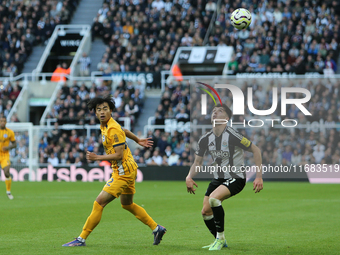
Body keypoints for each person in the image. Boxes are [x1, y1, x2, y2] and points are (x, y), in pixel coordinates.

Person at [62, 96, 166, 247]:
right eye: (99, 110)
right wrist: (137, 140)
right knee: (127, 204)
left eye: (105, 109)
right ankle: (157, 228)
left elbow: (119, 155)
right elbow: (124, 130)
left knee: (99, 203)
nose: (102, 112)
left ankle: (81, 239)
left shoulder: (112, 128)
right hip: (129, 169)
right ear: (95, 113)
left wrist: (97, 157)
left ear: (111, 110)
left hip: (123, 172)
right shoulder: (107, 125)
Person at [185, 104, 263, 250]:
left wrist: (259, 176)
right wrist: (189, 176)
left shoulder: (233, 135)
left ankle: (220, 239)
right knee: (206, 212)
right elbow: (197, 162)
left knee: (214, 199)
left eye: (220, 111)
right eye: (213, 111)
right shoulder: (205, 139)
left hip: (236, 177)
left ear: (226, 119)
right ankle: (220, 239)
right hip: (218, 179)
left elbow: (256, 150)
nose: (215, 113)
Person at [0, 116, 17, 200]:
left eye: (4, 121)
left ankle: (8, 191)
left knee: (6, 172)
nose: (2, 122)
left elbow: (14, 144)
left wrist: (8, 147)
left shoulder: (10, 132)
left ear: (6, 122)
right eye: (1, 121)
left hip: (4, 155)